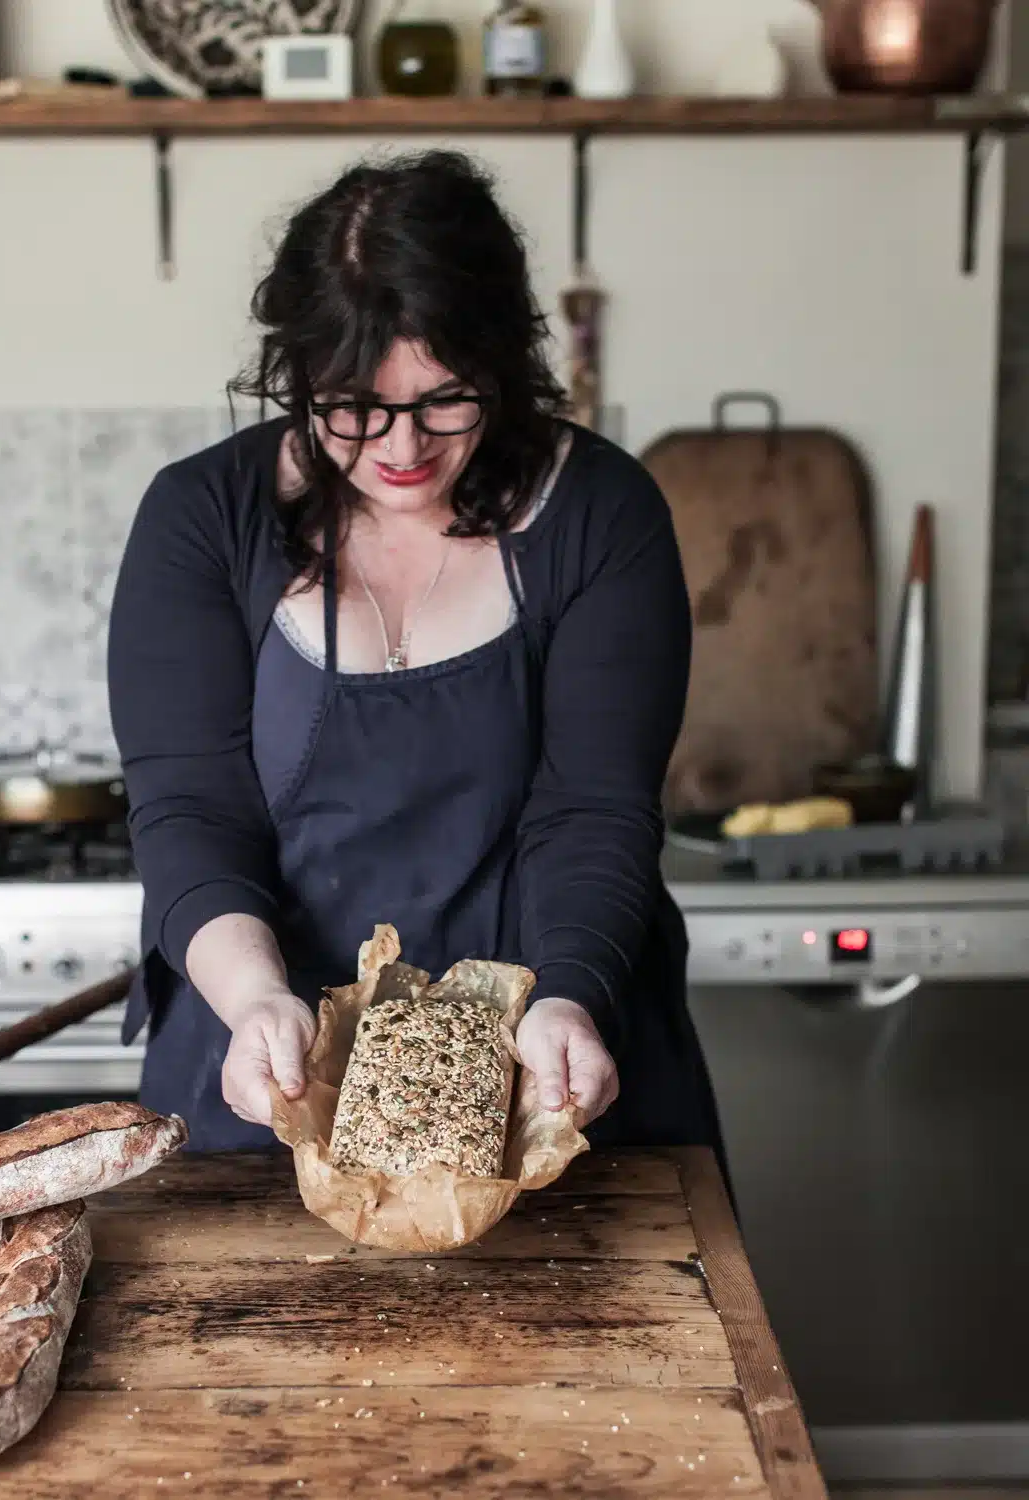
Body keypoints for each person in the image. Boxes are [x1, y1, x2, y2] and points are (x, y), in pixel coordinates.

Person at [107, 149, 724, 1160]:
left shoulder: (600, 514)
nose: (402, 448)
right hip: (271, 1065)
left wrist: (568, 998)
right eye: (354, 406)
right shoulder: (203, 518)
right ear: (297, 376)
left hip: (545, 1066)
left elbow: (594, 809)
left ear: (502, 365)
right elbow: (191, 810)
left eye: (445, 399)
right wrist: (255, 997)